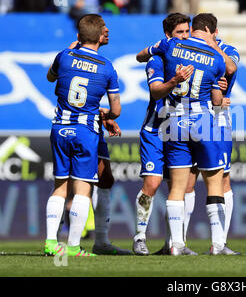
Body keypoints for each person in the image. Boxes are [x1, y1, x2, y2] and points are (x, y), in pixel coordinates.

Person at [148, 13, 228, 255]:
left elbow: (144, 55)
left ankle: (177, 245)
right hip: (203, 119)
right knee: (214, 181)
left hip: (174, 119)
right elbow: (216, 101)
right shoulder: (216, 58)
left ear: (192, 29)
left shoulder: (171, 46)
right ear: (210, 31)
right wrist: (221, 97)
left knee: (177, 186)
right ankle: (217, 245)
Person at [44, 14, 121, 257]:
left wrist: (70, 50)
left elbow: (50, 77)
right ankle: (74, 246)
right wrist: (105, 113)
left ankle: (50, 243)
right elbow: (116, 111)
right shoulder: (107, 68)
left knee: (59, 187)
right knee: (83, 189)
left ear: (78, 37)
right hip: (85, 131)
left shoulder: (64, 56)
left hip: (60, 128)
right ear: (100, 37)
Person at [133, 13, 195, 255]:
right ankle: (139, 236)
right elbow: (157, 92)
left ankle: (175, 243)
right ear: (169, 35)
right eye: (180, 33)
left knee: (184, 186)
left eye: (187, 32)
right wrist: (175, 80)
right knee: (152, 182)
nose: (185, 37)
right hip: (156, 130)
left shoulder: (194, 58)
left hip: (182, 130)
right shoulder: (157, 60)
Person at [182, 33, 241, 255]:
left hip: (219, 120)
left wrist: (213, 45)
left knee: (223, 179)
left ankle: (220, 242)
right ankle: (179, 242)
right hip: (191, 117)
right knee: (187, 180)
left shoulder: (228, 50)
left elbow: (231, 68)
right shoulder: (186, 49)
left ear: (212, 32)